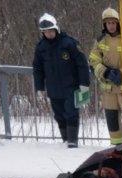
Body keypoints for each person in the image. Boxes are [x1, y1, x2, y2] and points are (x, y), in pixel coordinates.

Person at [33, 13, 89, 148]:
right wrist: (39, 87)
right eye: (46, 32)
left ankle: (72, 142)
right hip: (53, 88)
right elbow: (37, 68)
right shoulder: (41, 47)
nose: (49, 34)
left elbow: (82, 64)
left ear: (56, 29)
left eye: (51, 31)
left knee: (71, 113)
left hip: (71, 86)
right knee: (59, 115)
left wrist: (84, 84)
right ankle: (65, 140)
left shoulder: (69, 43)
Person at [88, 7, 122, 146]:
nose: (111, 26)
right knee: (112, 123)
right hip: (108, 90)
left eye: (113, 22)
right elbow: (93, 60)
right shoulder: (100, 41)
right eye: (108, 23)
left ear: (118, 23)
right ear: (104, 25)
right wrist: (106, 72)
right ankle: (117, 149)